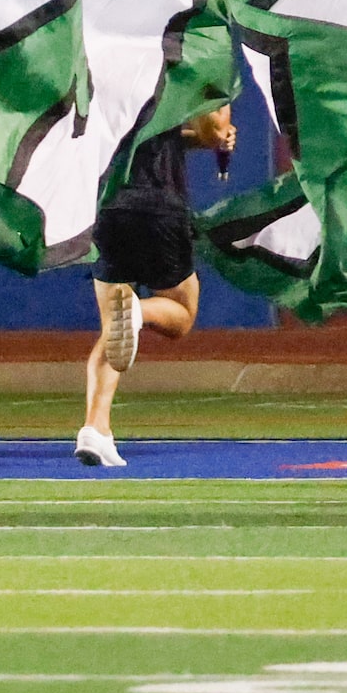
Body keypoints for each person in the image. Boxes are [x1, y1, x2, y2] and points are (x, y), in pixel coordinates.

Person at [73, 105, 236, 470]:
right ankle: (141, 312)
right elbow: (213, 124)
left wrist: (190, 139)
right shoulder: (178, 57)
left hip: (107, 208)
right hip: (159, 204)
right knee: (181, 313)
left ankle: (95, 429)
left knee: (114, 332)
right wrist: (217, 135)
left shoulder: (96, 70)